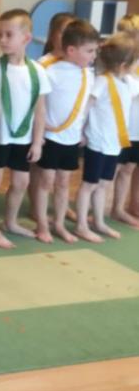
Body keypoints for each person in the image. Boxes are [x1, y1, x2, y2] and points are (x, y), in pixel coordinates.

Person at [0, 9, 50, 248]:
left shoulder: (37, 71)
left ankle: (10, 222)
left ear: (26, 38)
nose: (2, 39)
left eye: (9, 35)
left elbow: (40, 110)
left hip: (23, 137)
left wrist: (37, 141)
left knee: (21, 182)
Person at [34, 20, 98, 243]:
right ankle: (42, 224)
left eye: (95, 50)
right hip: (51, 136)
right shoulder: (50, 70)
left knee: (63, 182)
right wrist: (40, 130)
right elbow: (38, 103)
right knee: (45, 181)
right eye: (89, 51)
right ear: (71, 50)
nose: (93, 56)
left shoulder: (89, 75)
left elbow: (86, 107)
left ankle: (59, 223)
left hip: (72, 138)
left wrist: (83, 131)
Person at [75, 33, 139, 242]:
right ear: (123, 65)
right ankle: (81, 225)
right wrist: (80, 130)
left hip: (113, 144)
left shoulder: (127, 82)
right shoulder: (103, 81)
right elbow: (87, 106)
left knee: (103, 184)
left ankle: (99, 221)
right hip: (97, 142)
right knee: (89, 184)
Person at [112, 14, 139, 227]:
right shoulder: (117, 63)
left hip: (136, 127)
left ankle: (120, 208)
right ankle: (98, 209)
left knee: (129, 168)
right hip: (119, 126)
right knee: (113, 170)